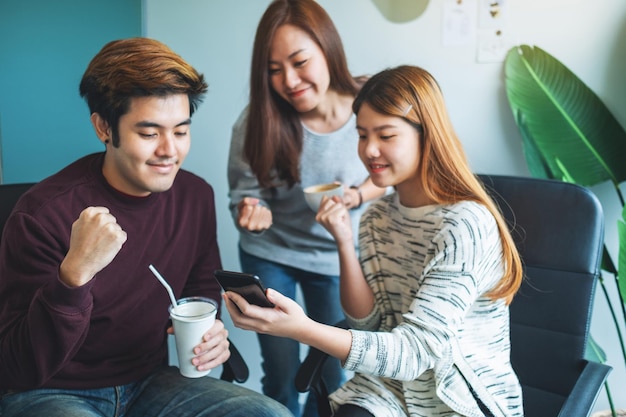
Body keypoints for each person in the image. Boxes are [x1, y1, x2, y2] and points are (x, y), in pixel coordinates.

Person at [0, 37, 291, 417]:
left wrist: (211, 333)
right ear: (104, 127)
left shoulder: (195, 196)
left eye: (181, 131)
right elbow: (18, 364)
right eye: (150, 133)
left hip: (150, 381)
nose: (170, 150)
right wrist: (74, 275)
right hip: (51, 390)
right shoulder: (43, 214)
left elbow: (198, 289)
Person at [224, 65, 525, 417]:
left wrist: (302, 329)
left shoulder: (464, 225)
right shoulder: (377, 216)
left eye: (386, 135)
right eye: (362, 135)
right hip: (389, 391)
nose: (369, 150)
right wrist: (343, 240)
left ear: (426, 135)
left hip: (456, 398)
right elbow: (369, 324)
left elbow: (414, 354)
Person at [227, 1, 386, 416]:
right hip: (270, 254)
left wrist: (355, 196)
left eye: (299, 62)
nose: (289, 81)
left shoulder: (368, 106)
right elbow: (244, 191)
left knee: (331, 374)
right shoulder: (258, 120)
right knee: (281, 373)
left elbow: (388, 173)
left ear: (328, 49)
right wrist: (250, 209)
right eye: (274, 69)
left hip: (336, 261)